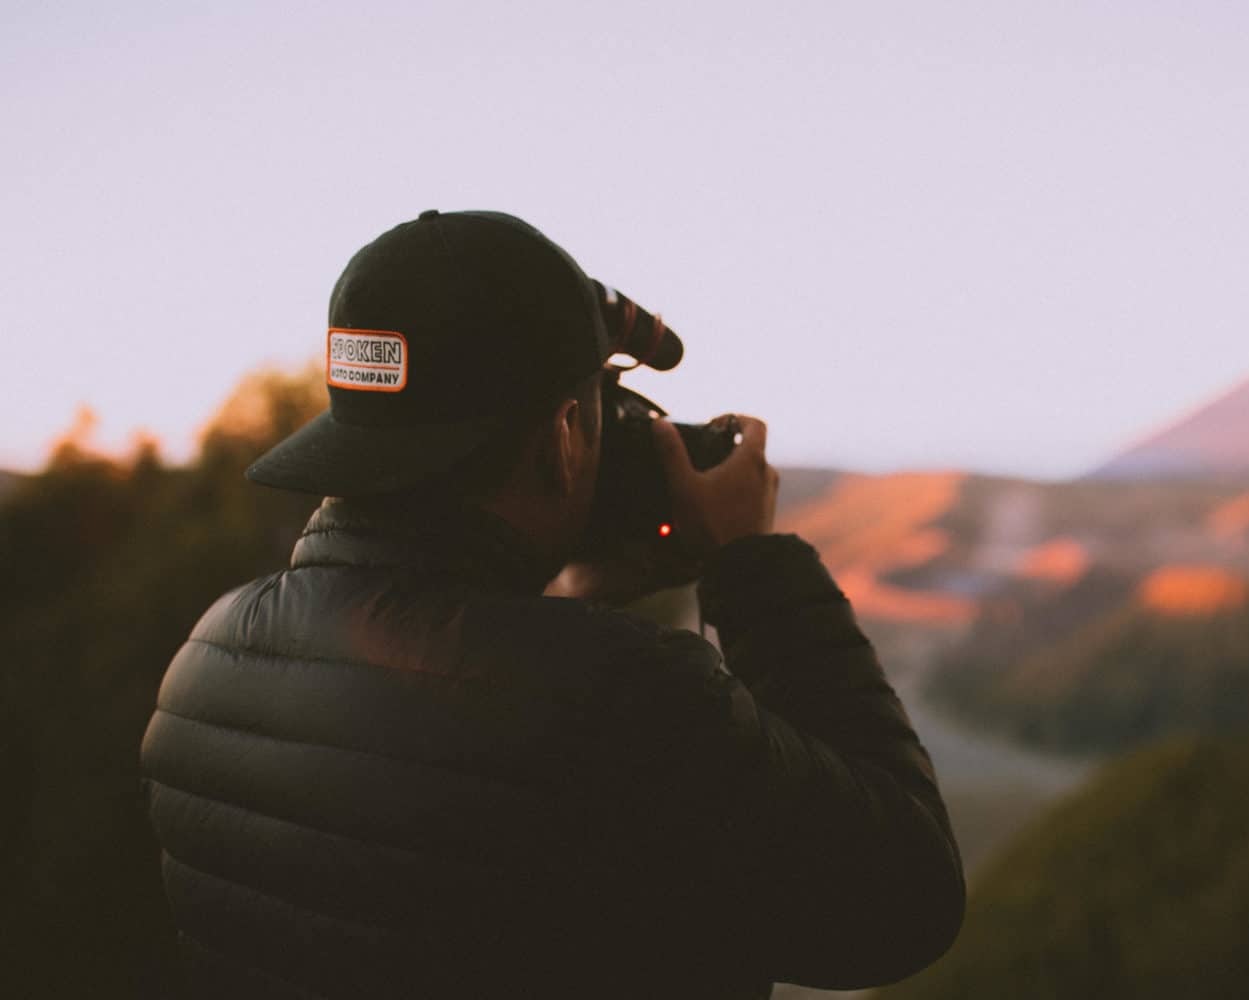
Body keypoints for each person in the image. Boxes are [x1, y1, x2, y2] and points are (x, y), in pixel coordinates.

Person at [140, 210, 965, 999]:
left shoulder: (204, 664)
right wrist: (754, 566)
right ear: (564, 436)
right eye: (602, 415)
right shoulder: (626, 695)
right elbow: (906, 899)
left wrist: (572, 603)